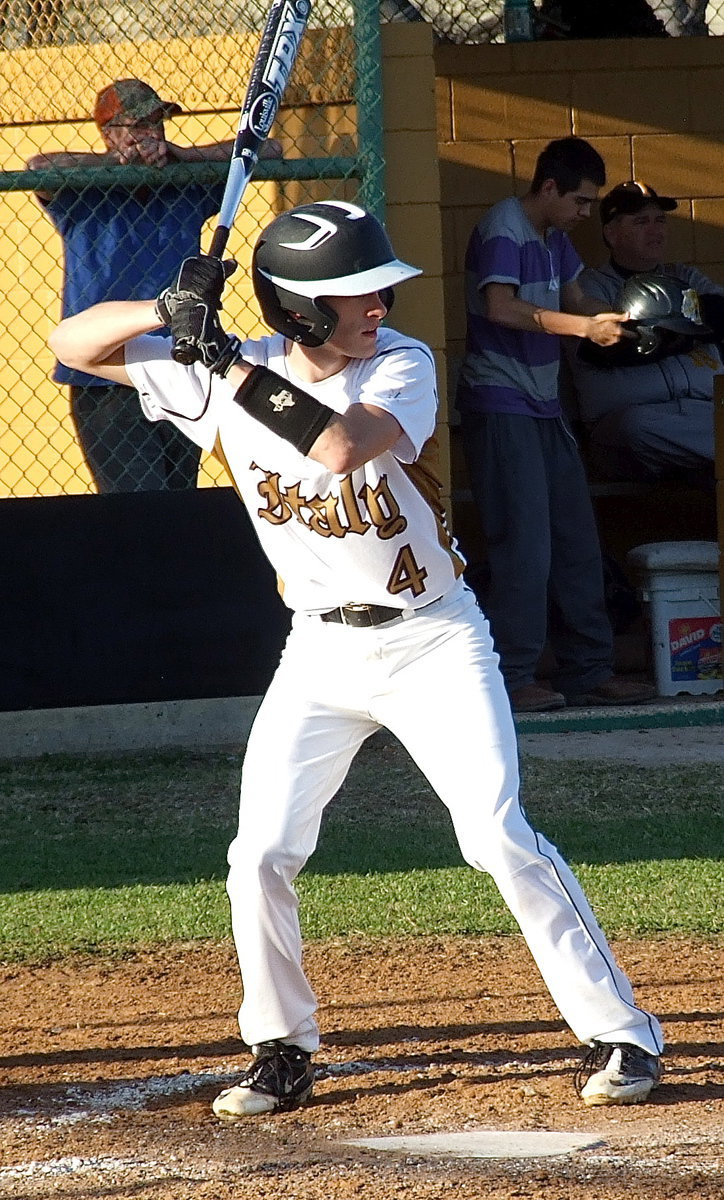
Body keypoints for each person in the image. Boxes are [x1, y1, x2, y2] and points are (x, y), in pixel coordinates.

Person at [49, 198, 664, 1117]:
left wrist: (220, 361)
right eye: (354, 294)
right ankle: (282, 1047)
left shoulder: (401, 365)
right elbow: (70, 344)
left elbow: (338, 446)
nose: (378, 305)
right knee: (259, 851)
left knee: (493, 832)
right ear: (298, 309)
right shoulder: (236, 368)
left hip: (434, 639)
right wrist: (165, 307)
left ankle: (623, 1033)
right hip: (319, 650)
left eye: (380, 289)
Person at [455, 136, 657, 715]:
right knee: (525, 545)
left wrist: (633, 324)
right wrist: (581, 330)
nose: (586, 214)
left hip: (545, 406)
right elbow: (501, 307)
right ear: (548, 188)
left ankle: (590, 671)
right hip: (500, 403)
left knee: (575, 539)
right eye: (582, 202)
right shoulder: (504, 227)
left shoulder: (556, 237)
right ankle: (513, 676)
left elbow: (578, 300)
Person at [28, 77, 282, 492]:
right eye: (138, 125)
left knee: (179, 493)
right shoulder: (85, 191)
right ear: (111, 133)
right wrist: (117, 163)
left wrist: (181, 156)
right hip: (107, 371)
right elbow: (39, 169)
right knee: (137, 499)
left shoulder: (180, 183)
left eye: (157, 123)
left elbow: (269, 150)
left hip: (178, 359)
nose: (151, 134)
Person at [566, 180, 724, 487]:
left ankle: (703, 462)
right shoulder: (588, 289)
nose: (656, 230)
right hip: (633, 426)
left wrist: (661, 332)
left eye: (660, 220)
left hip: (703, 413)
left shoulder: (684, 276)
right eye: (641, 221)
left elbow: (721, 313)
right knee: (637, 427)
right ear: (611, 233)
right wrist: (692, 329)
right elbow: (618, 349)